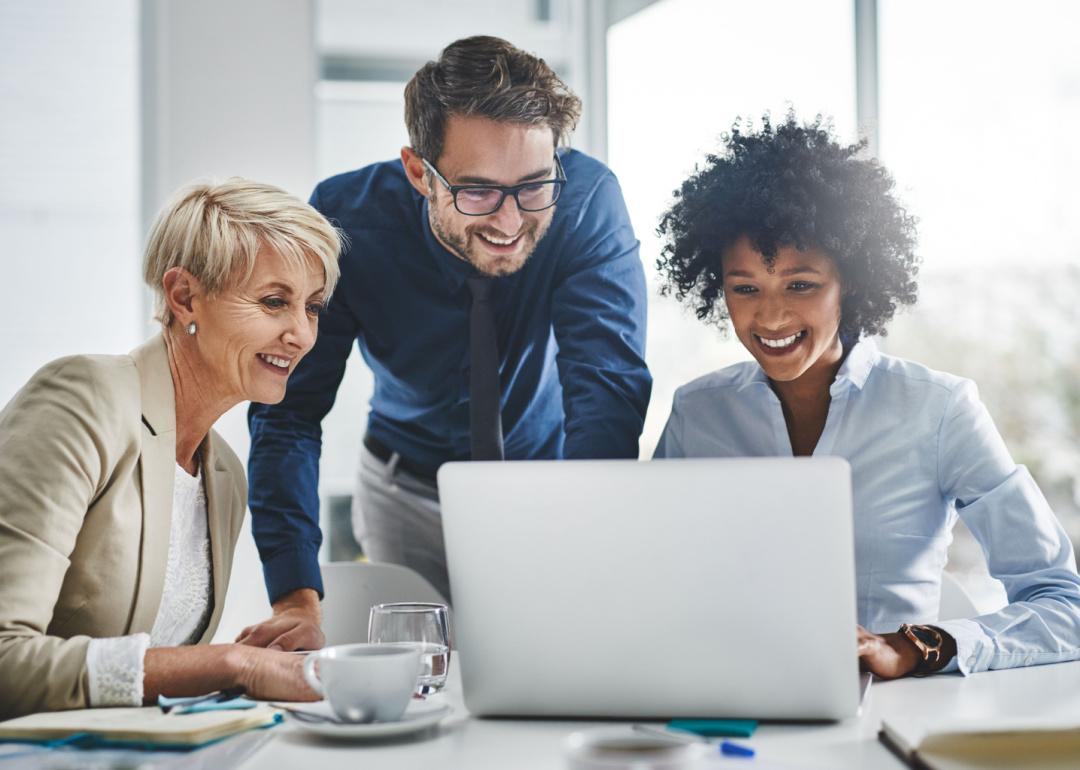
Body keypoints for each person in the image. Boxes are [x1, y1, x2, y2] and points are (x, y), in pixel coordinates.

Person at [244, 34, 651, 627]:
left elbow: (606, 386)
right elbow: (289, 411)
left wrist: (586, 543)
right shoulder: (345, 221)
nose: (510, 221)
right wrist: (294, 595)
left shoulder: (586, 201)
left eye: (533, 185)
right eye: (478, 190)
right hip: (404, 492)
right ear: (419, 172)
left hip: (550, 486)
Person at [653, 114, 1080, 678]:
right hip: (726, 696)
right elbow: (647, 580)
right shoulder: (697, 412)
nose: (771, 314)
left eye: (801, 284)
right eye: (745, 288)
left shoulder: (939, 409)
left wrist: (913, 647)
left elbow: (1063, 605)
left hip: (888, 715)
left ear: (850, 280)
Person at [0, 179, 341, 718]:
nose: (301, 333)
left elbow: (152, 671)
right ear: (184, 297)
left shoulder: (223, 473)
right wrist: (228, 664)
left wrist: (251, 659)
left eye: (313, 307)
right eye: (275, 302)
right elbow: (5, 659)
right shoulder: (82, 400)